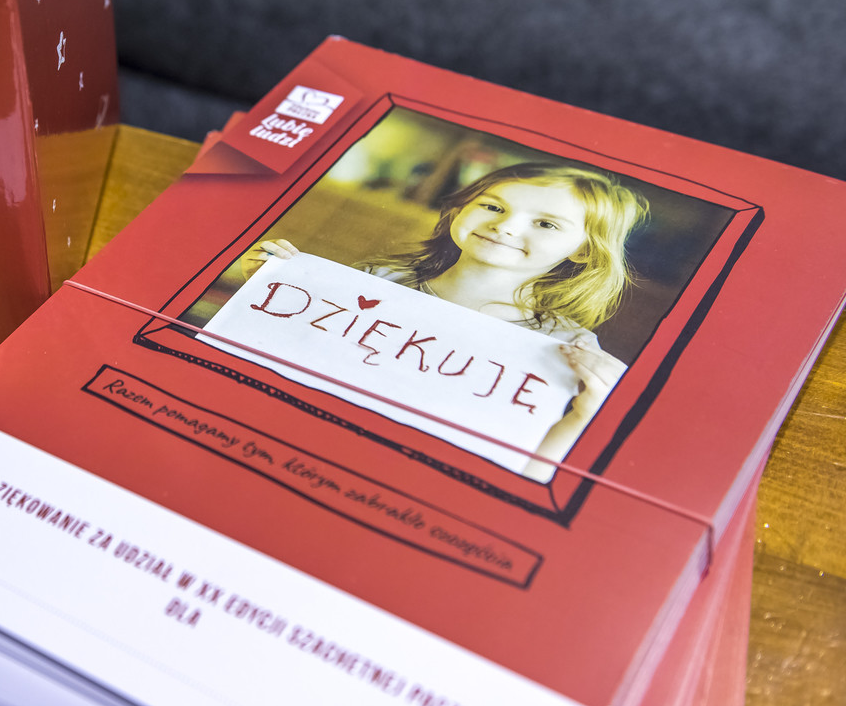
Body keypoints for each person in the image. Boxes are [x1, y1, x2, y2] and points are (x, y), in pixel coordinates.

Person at [241, 162, 649, 479]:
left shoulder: (568, 346)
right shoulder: (376, 279)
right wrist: (267, 287)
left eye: (545, 224)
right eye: (493, 206)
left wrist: (585, 414)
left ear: (583, 250)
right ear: (458, 210)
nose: (505, 226)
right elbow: (284, 356)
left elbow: (526, 473)